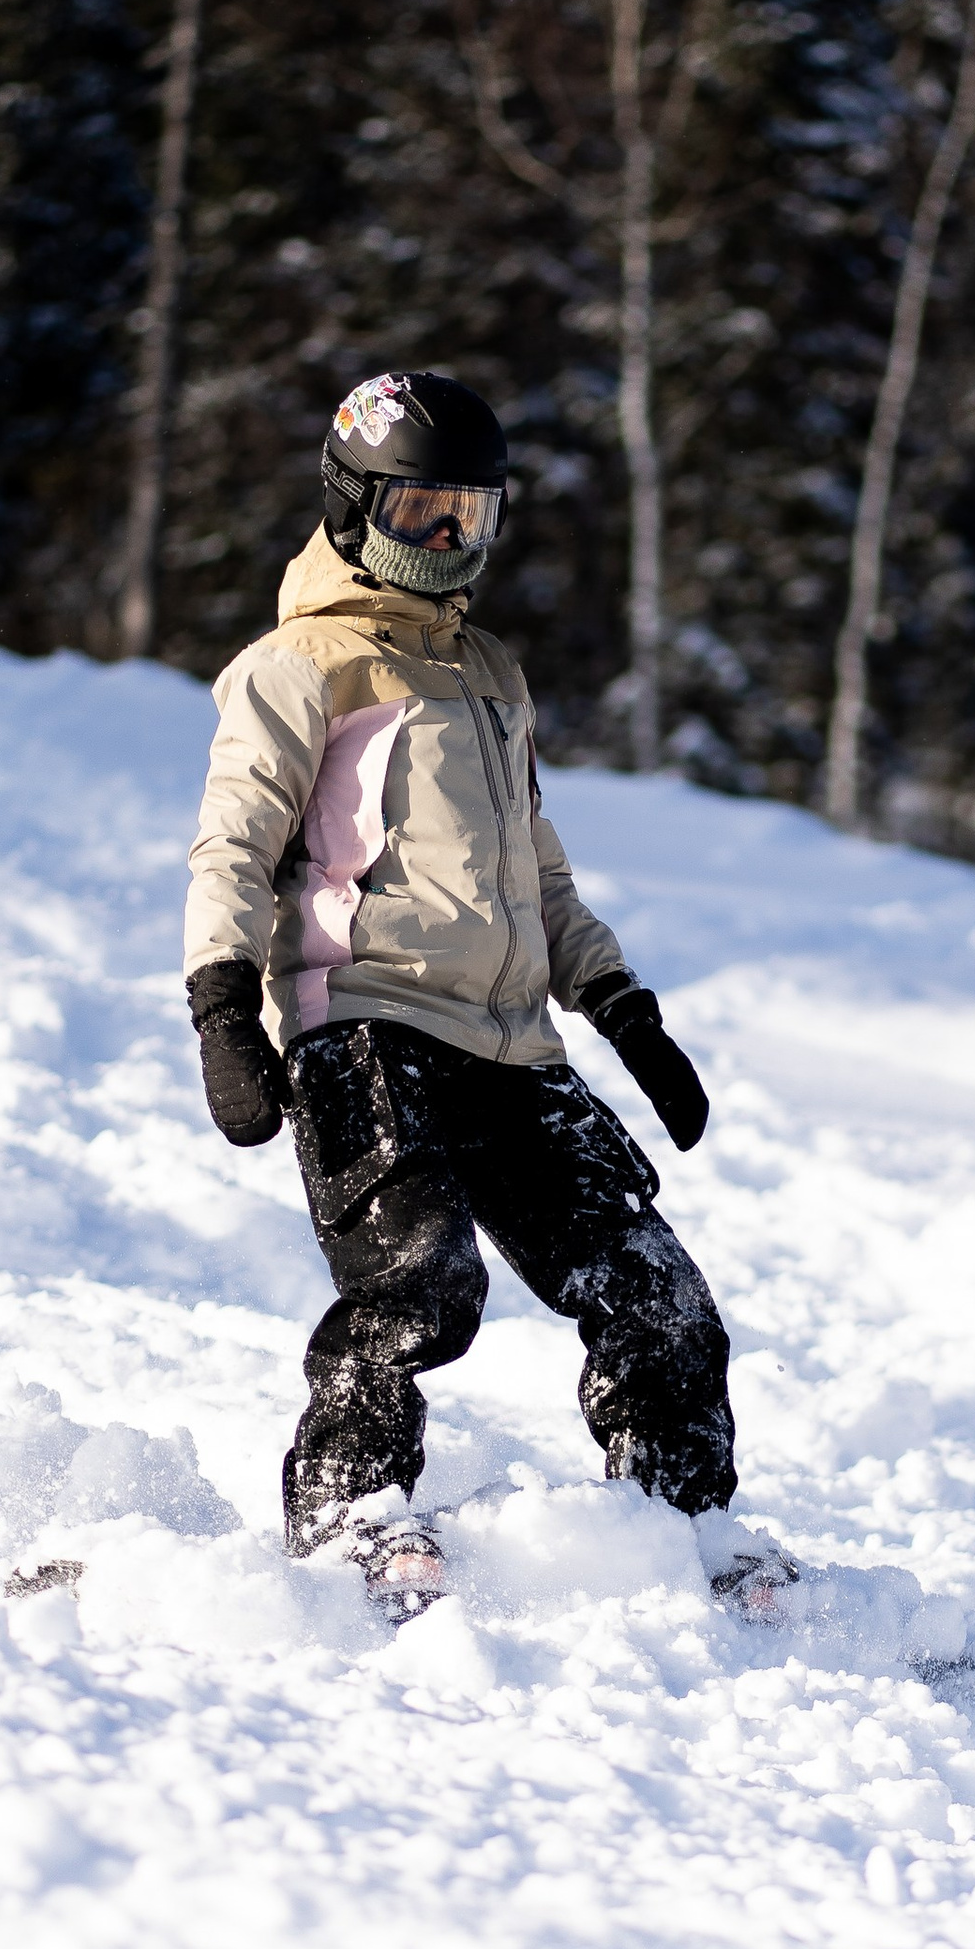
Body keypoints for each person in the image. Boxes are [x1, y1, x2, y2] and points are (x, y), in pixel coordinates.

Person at [181, 367, 788, 1615]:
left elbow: (535, 869)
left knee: (655, 1293)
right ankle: (351, 1511)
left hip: (511, 1044)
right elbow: (232, 848)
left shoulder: (491, 672)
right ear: (354, 507)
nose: (450, 543)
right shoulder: (301, 669)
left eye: (472, 517)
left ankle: (676, 1530)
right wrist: (222, 1010)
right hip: (366, 1028)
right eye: (422, 516)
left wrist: (621, 1006)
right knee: (420, 1282)